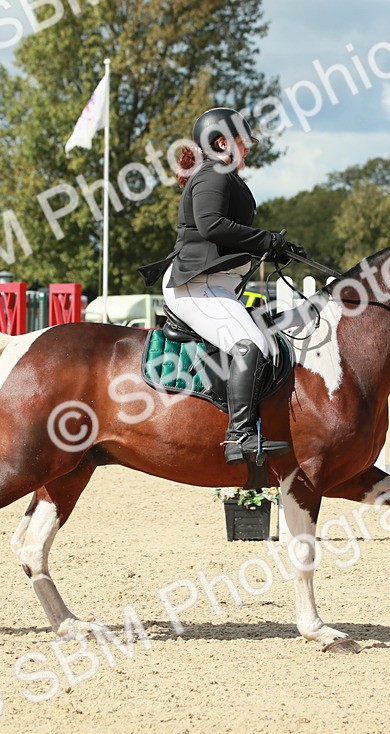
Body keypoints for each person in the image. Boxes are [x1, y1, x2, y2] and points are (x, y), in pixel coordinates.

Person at [138, 107, 305, 466]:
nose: (248, 150)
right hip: (196, 285)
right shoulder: (213, 173)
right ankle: (239, 436)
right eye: (243, 143)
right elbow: (211, 225)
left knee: (264, 340)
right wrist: (265, 240)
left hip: (215, 286)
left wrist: (276, 246)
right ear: (221, 143)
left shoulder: (221, 175)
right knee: (251, 344)